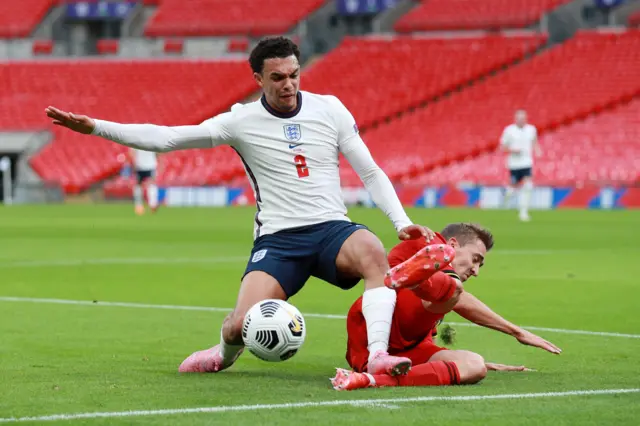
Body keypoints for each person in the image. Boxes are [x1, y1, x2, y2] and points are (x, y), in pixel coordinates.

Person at [44, 36, 447, 376]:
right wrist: (95, 126)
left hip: (331, 230)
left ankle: (377, 355)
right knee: (239, 325)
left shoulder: (330, 109)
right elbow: (165, 138)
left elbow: (371, 171)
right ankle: (222, 354)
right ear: (258, 79)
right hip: (279, 238)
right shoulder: (241, 121)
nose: (288, 84)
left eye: (294, 75)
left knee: (373, 252)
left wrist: (401, 222)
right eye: (277, 78)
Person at [333, 223, 562, 390]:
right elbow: (459, 301)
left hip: (407, 348)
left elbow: (427, 330)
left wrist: (454, 359)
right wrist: (517, 332)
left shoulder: (440, 274)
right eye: (475, 259)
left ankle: (370, 380)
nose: (476, 271)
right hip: (373, 333)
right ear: (452, 244)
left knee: (475, 365)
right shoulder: (426, 241)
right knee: (453, 291)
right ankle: (417, 282)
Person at [499, 110, 542, 222]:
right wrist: (513, 150)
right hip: (514, 164)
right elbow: (502, 147)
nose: (522, 120)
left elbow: (534, 141)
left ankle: (523, 213)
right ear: (515, 119)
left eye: (523, 118)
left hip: (527, 162)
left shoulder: (531, 129)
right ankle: (507, 194)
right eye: (519, 118)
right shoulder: (509, 130)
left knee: (528, 186)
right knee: (513, 188)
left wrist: (538, 150)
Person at [128, 148, 159, 215]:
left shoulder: (136, 139)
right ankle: (152, 204)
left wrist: (133, 163)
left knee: (139, 185)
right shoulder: (153, 139)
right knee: (150, 184)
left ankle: (140, 205)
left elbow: (131, 153)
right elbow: (158, 152)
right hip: (149, 165)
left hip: (141, 165)